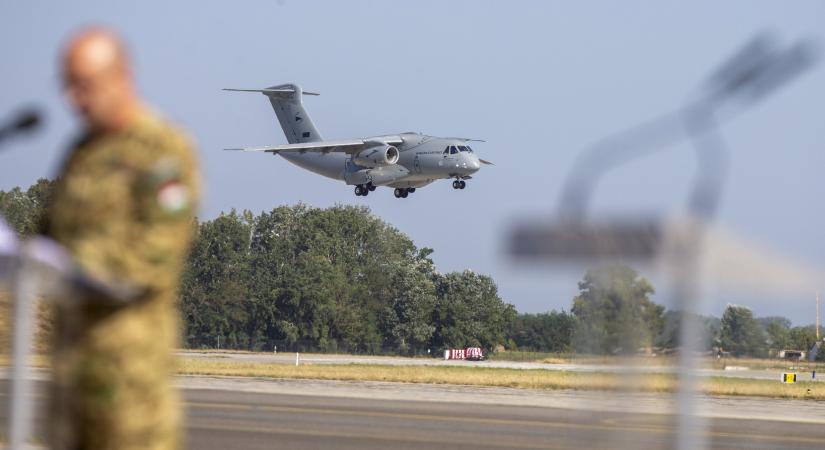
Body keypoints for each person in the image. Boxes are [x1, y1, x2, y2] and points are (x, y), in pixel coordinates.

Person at [45, 27, 200, 450]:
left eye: (85, 84)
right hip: (70, 373)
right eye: (68, 86)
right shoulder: (83, 152)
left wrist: (68, 264)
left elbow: (154, 256)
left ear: (122, 75)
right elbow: (49, 237)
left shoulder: (162, 149)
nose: (72, 99)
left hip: (130, 384)